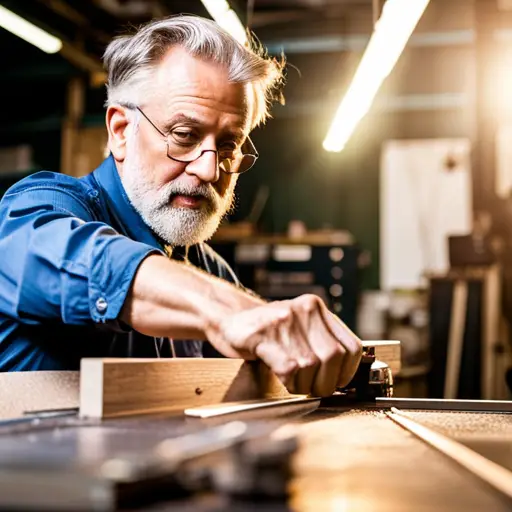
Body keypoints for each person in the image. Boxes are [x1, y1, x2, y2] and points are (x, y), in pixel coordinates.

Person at [0, 15, 362, 396]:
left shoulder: (208, 268)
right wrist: (234, 312)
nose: (209, 169)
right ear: (121, 132)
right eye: (185, 136)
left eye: (227, 147)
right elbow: (76, 259)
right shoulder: (38, 211)